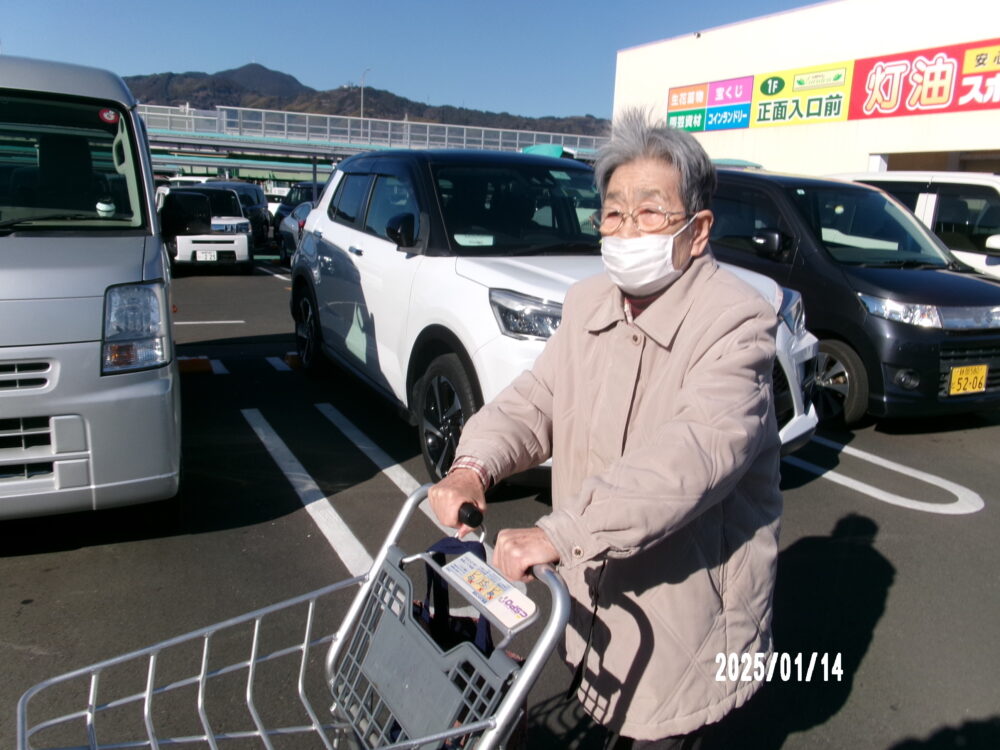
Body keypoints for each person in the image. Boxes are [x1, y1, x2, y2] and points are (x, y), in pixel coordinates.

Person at [429, 109, 783, 749]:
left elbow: (692, 455)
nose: (626, 230)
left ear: (697, 230)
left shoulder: (736, 322)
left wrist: (560, 532)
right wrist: (472, 465)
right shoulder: (591, 301)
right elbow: (537, 398)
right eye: (614, 213)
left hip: (689, 615)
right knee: (600, 704)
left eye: (650, 213)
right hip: (600, 596)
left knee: (659, 727)